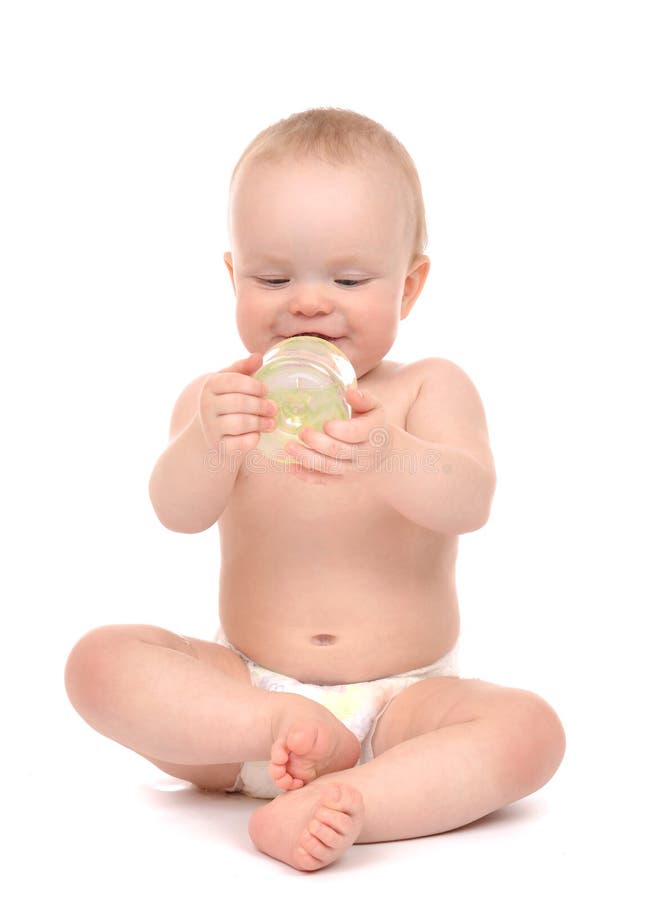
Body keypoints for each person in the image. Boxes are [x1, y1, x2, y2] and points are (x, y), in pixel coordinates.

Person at [64, 107, 566, 872]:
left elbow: (472, 499)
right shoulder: (223, 398)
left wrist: (391, 454)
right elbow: (175, 513)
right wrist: (207, 442)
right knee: (97, 662)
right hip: (247, 699)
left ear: (410, 286)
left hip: (404, 708)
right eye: (272, 277)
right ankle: (277, 728)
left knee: (531, 731)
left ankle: (356, 802)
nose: (306, 302)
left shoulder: (427, 390)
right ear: (235, 277)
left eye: (349, 278)